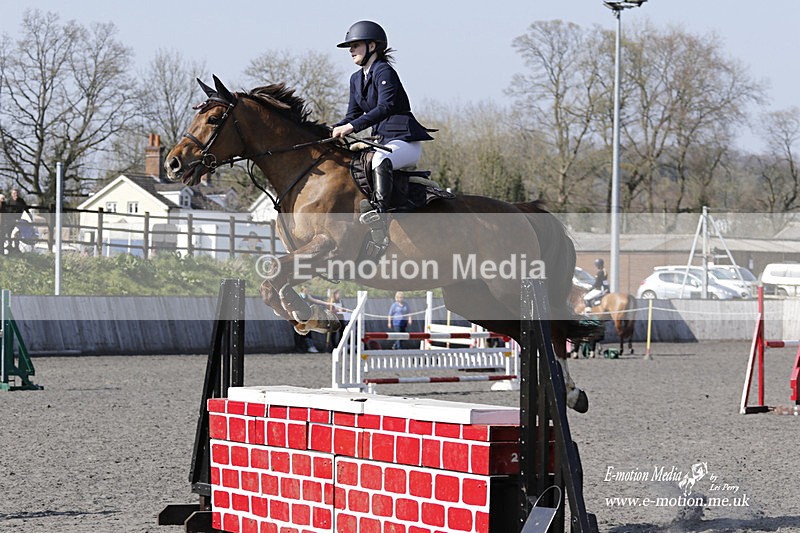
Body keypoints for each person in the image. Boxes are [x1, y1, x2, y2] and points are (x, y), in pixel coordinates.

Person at [331, 20, 434, 216]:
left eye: (355, 45)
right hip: (382, 141)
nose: (351, 51)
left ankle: (380, 211)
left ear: (372, 46)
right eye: (350, 47)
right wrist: (332, 129)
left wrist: (351, 127)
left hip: (404, 142)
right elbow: (352, 115)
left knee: (380, 159)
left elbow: (385, 107)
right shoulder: (355, 78)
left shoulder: (384, 71)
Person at [5, 188, 30, 253]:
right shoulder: (9, 201)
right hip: (10, 219)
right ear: (11, 194)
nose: (15, 195)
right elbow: (6, 211)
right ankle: (10, 245)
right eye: (14, 193)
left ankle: (16, 247)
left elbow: (26, 208)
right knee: (9, 232)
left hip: (18, 219)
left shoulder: (21, 200)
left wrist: (30, 216)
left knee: (17, 233)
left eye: (16, 193)